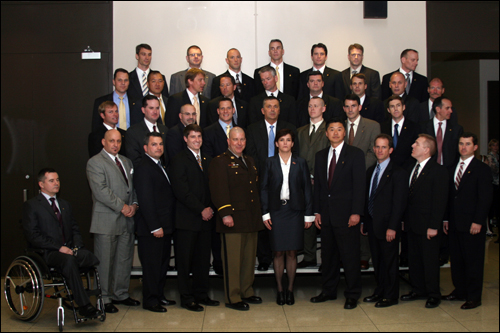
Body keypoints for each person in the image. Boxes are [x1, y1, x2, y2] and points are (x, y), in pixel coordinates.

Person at [22, 168, 101, 318]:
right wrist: (59, 248)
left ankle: (86, 292)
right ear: (41, 184)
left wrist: (76, 247)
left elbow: (74, 228)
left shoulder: (65, 204)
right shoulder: (32, 205)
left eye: (57, 180)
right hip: (48, 252)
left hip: (69, 250)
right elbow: (33, 236)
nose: (56, 183)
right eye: (51, 181)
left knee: (89, 257)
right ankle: (84, 306)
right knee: (69, 261)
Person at [310, 118, 366, 310]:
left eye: (339, 129)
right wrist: (317, 211)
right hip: (326, 215)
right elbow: (318, 186)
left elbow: (360, 186)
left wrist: (356, 212)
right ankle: (328, 291)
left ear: (344, 132)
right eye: (331, 129)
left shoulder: (355, 154)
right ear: (326, 133)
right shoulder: (320, 155)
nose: (335, 132)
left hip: (347, 216)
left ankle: (352, 294)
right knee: (328, 256)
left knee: (350, 256)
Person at [209, 127, 264, 311]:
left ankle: (246, 290)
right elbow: (219, 189)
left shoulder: (249, 160)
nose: (239, 143)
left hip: (250, 217)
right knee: (233, 260)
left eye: (242, 139)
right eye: (235, 139)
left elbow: (253, 190)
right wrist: (225, 213)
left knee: (248, 259)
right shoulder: (220, 162)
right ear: (228, 141)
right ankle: (233, 296)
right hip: (232, 218)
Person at [86, 129, 140, 313]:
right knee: (105, 260)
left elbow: (131, 188)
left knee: (124, 260)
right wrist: (122, 207)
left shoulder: (126, 161)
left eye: (118, 141)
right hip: (107, 220)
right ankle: (104, 297)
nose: (115, 144)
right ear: (103, 142)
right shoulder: (94, 162)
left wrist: (133, 204)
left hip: (127, 220)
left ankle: (121, 293)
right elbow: (101, 191)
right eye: (111, 141)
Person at [260, 129, 314, 305]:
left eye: (288, 140)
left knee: (291, 252)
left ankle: (290, 290)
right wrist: (265, 213)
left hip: (295, 212)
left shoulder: (301, 162)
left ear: (292, 143)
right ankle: (279, 290)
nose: (285, 143)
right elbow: (264, 189)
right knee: (277, 252)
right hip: (276, 212)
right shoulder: (269, 162)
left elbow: (307, 189)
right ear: (276, 144)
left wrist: (308, 214)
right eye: (281, 140)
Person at [170, 124, 220, 312]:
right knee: (184, 261)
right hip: (187, 219)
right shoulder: (178, 160)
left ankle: (201, 294)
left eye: (199, 136)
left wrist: (210, 209)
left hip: (206, 220)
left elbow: (212, 186)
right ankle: (187, 297)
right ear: (185, 139)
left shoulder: (207, 159)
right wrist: (201, 209)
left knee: (202, 260)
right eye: (193, 137)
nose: (197, 140)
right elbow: (182, 191)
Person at [442, 133, 493, 310]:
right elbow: (450, 197)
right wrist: (447, 218)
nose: (464, 147)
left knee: (473, 261)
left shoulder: (481, 169)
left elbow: (485, 198)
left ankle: (474, 297)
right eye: (461, 143)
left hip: (472, 224)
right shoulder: (452, 167)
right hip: (455, 223)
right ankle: (460, 291)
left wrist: (479, 221)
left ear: (475, 147)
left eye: (468, 144)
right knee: (457, 260)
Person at [246, 96, 298, 271]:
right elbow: (251, 155)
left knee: (280, 220)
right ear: (263, 110)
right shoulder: (252, 129)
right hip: (260, 179)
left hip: (284, 181)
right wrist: (266, 173)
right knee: (263, 217)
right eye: (269, 106)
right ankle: (264, 258)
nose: (272, 109)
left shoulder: (288, 128)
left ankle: (282, 253)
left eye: (275, 106)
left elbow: (293, 154)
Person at [400, 134, 448, 308]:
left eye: (417, 144)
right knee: (414, 260)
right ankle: (418, 289)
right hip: (412, 224)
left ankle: (433, 293)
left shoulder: (438, 171)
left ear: (426, 150)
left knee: (429, 261)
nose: (412, 145)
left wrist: (434, 226)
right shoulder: (412, 168)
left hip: (428, 226)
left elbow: (440, 201)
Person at [362, 134, 408, 308]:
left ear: (390, 150)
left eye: (383, 147)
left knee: (389, 262)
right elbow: (368, 199)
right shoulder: (370, 171)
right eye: (377, 147)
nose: (380, 150)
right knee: (378, 261)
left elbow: (399, 203)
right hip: (373, 225)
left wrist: (393, 227)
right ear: (373, 149)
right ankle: (380, 290)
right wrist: (365, 223)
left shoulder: (398, 173)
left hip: (388, 227)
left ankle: (390, 295)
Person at [133, 132, 176, 312]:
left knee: (161, 264)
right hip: (152, 229)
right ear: (145, 148)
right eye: (154, 144)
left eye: (160, 144)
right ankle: (150, 300)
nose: (158, 147)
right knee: (151, 267)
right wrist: (155, 226)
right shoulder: (144, 167)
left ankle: (159, 295)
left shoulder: (159, 165)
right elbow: (146, 200)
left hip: (164, 227)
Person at [296, 96, 330, 268]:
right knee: (307, 218)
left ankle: (327, 258)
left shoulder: (328, 130)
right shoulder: (300, 130)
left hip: (322, 181)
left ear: (323, 108)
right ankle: (309, 256)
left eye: (316, 106)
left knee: (323, 219)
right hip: (303, 182)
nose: (312, 109)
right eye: (310, 106)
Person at [126, 95, 169, 168]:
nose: (155, 111)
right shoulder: (133, 132)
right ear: (143, 110)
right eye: (151, 108)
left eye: (157, 108)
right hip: (145, 174)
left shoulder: (165, 130)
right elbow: (134, 160)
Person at [421, 97, 463, 169]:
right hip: (428, 170)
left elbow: (458, 152)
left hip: (449, 171)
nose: (451, 111)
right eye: (447, 108)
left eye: (451, 108)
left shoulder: (456, 129)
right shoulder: (422, 127)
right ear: (438, 109)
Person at [380, 95, 419, 169]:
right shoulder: (382, 127)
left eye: (398, 105)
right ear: (388, 110)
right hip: (387, 168)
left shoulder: (414, 127)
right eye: (392, 106)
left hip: (407, 168)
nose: (395, 109)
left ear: (403, 107)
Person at [486, 139, 499, 239]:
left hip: (497, 183)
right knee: (492, 206)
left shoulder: (497, 156)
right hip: (493, 183)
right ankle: (489, 228)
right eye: (493, 145)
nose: (495, 147)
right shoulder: (489, 157)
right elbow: (493, 169)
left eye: (497, 145)